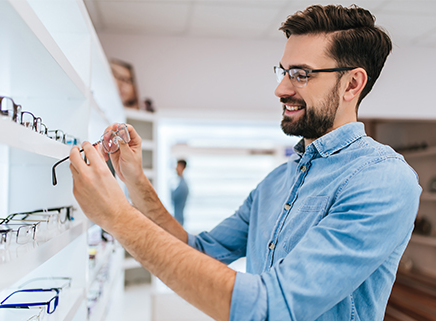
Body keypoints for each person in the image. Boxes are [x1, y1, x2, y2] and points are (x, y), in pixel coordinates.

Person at [69, 4, 421, 321]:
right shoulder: (276, 183)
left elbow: (272, 308)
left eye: (300, 74)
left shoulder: (383, 180)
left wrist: (117, 216)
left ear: (352, 84)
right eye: (283, 71)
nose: (281, 89)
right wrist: (135, 182)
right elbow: (199, 251)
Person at [171, 159, 189, 226]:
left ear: (181, 167)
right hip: (177, 217)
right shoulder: (179, 183)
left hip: (178, 219)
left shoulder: (183, 185)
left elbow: (174, 198)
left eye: (177, 166)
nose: (176, 168)